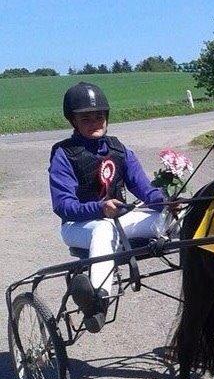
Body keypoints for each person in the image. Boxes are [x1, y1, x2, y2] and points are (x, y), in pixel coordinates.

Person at [49, 82, 170, 333]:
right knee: (103, 231)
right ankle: (96, 301)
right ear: (73, 121)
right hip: (79, 226)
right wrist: (100, 208)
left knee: (171, 219)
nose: (95, 122)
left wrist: (167, 202)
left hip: (118, 220)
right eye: (87, 118)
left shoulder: (119, 149)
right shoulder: (64, 154)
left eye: (99, 116)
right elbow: (63, 206)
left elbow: (145, 190)